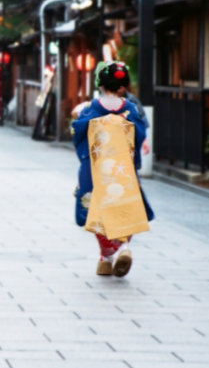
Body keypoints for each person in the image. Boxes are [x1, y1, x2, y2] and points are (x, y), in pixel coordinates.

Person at [72, 61, 154, 278]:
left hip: (97, 170)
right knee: (126, 207)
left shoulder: (91, 108)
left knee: (95, 212)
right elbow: (138, 134)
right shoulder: (130, 108)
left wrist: (82, 116)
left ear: (100, 84)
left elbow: (78, 133)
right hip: (121, 169)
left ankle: (107, 255)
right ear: (122, 86)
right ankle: (122, 248)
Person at [117, 85, 151, 156]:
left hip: (129, 143)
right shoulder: (102, 100)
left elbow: (141, 118)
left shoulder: (132, 100)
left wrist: (144, 139)